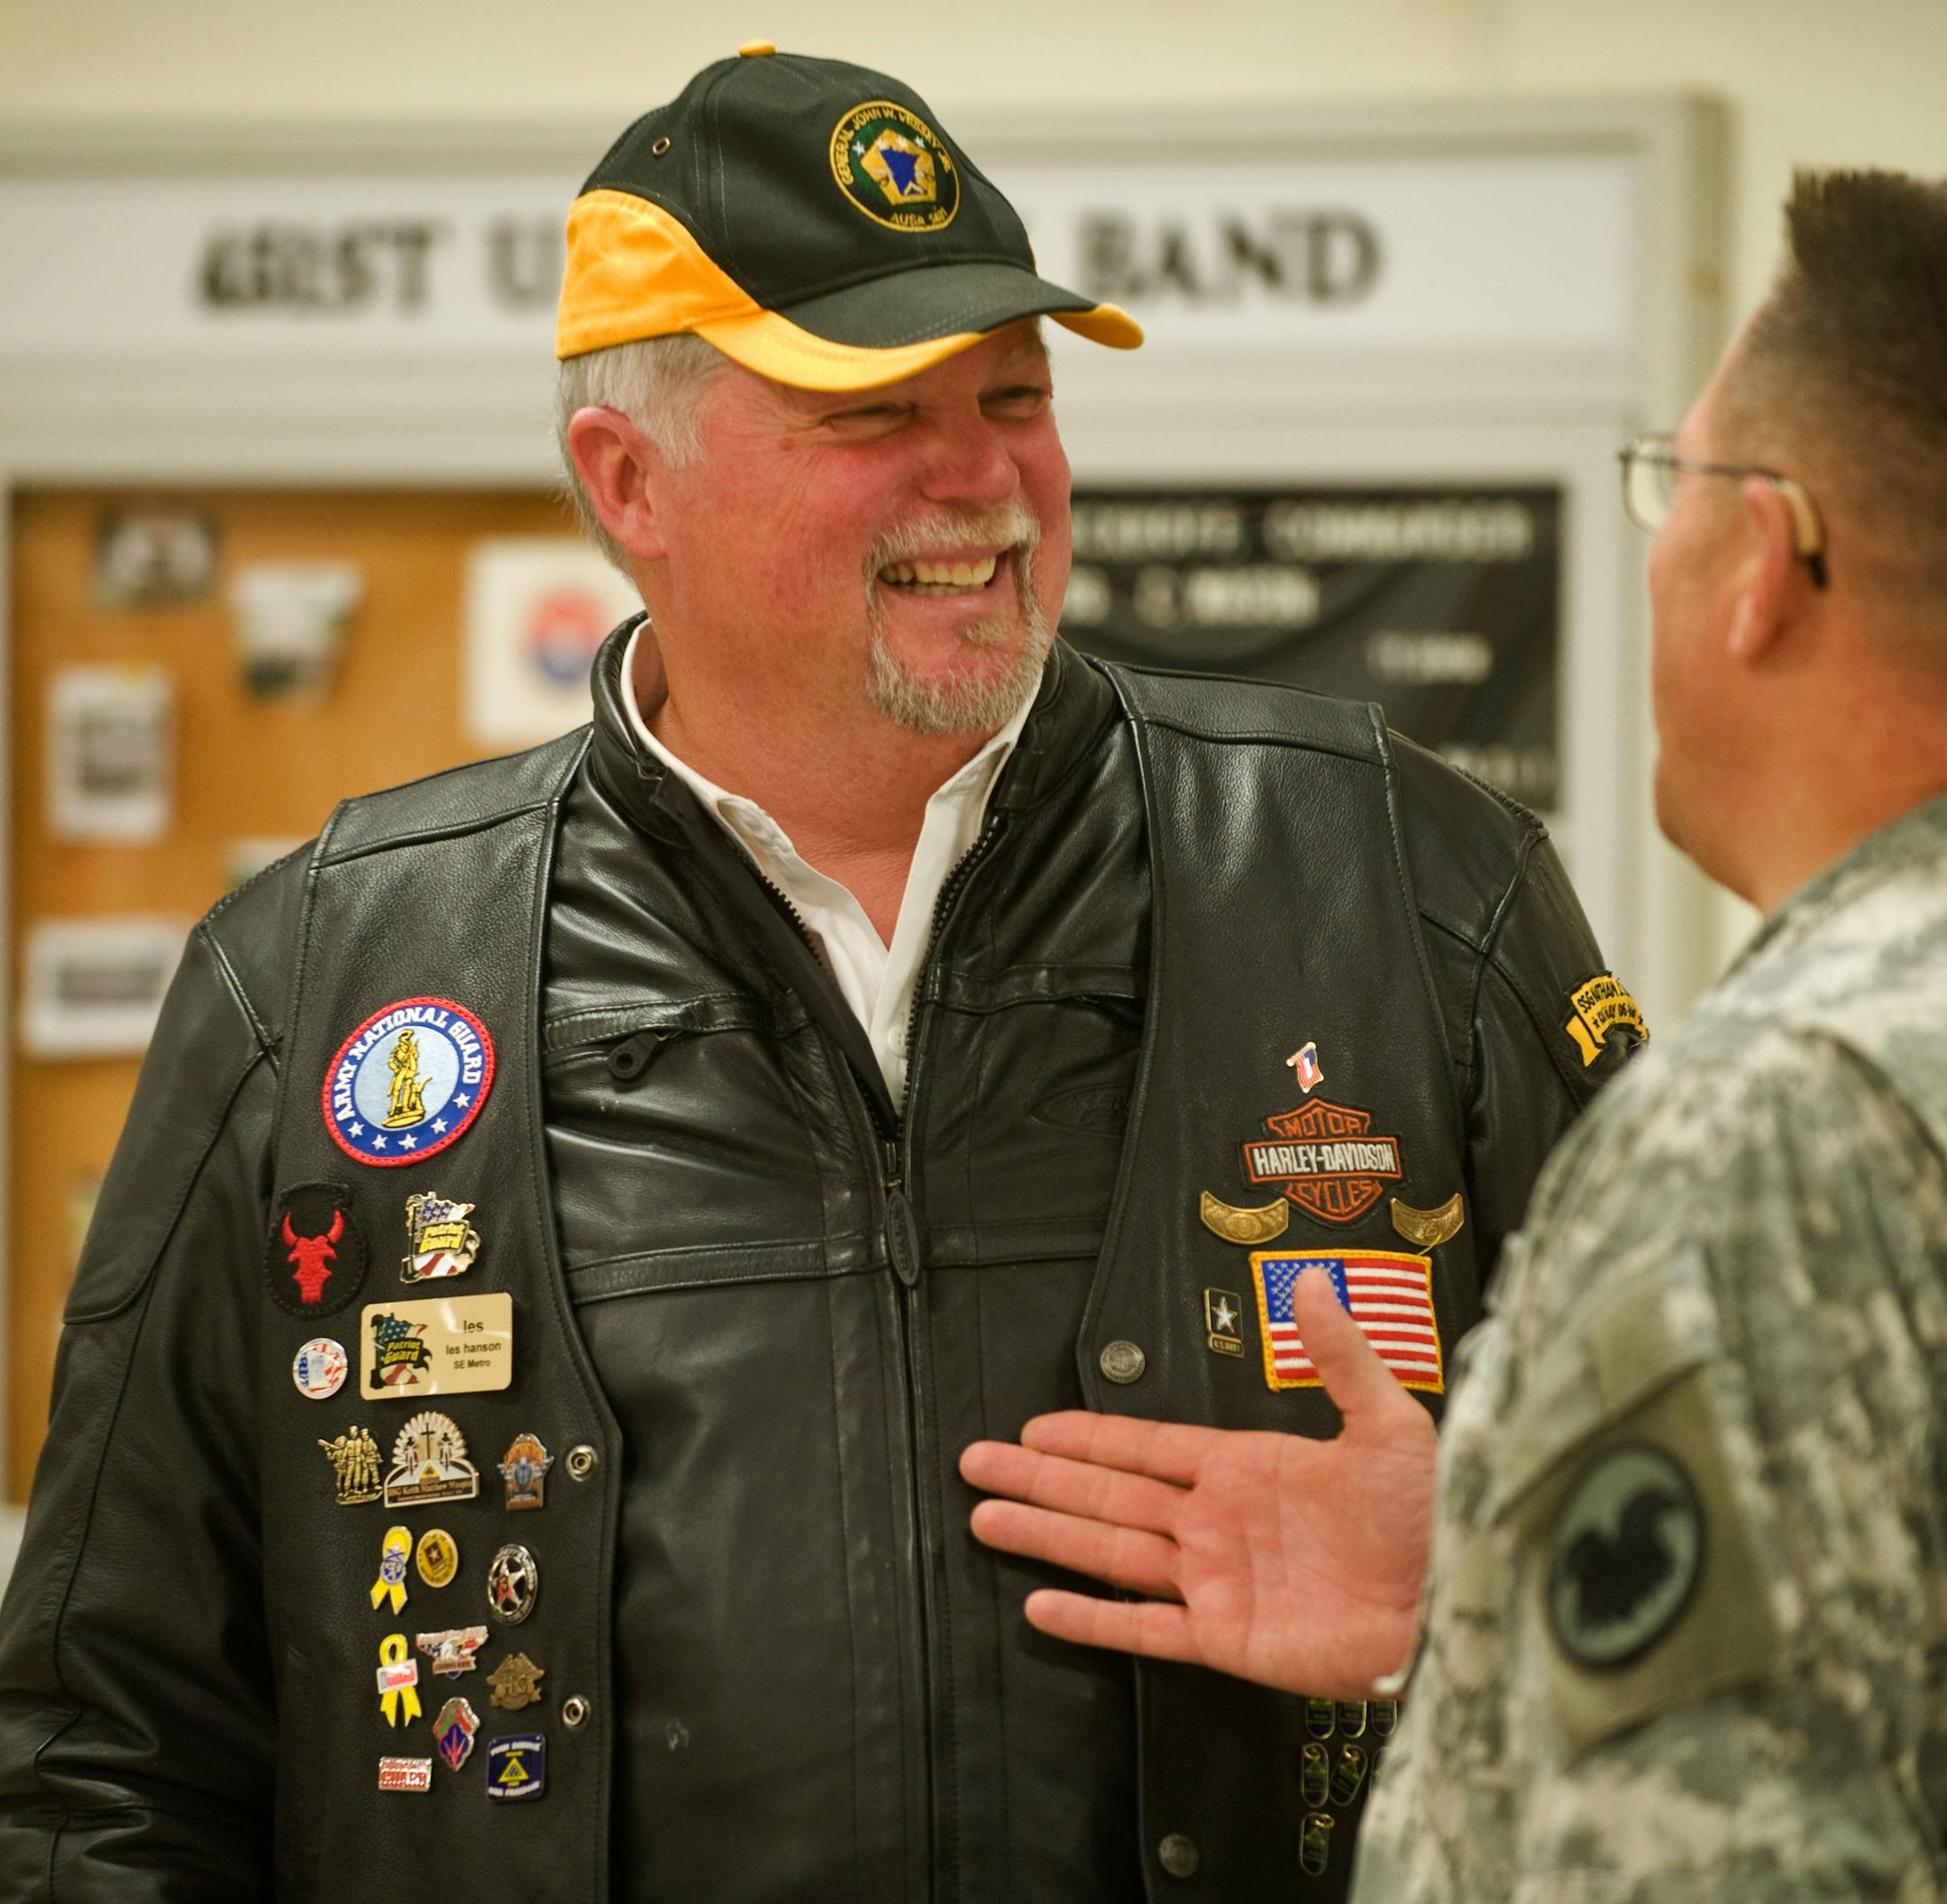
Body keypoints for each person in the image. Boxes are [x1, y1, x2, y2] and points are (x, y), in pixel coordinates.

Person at [0, 46, 1642, 1903]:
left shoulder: (1414, 884)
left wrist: (1487, 1597)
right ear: (630, 482)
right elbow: (100, 1761)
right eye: (875, 416)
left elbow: (1771, 1560)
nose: (985, 477)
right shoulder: (317, 983)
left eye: (1016, 397)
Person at [962, 166, 1947, 1899]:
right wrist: (1491, 1590)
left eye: (1676, 486)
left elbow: (1698, 1862)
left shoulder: (1782, 1115)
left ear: (1766, 561)